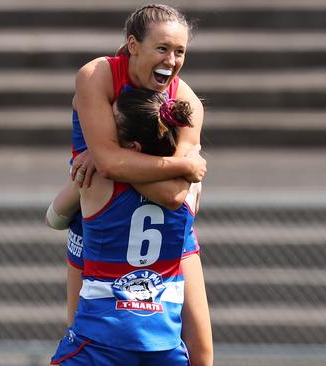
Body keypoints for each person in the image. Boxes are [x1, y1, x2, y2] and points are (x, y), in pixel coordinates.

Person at [50, 4, 213, 366]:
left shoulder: (185, 100)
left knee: (202, 352)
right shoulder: (97, 75)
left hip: (133, 203)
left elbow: (170, 195)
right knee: (87, 329)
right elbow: (112, 163)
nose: (171, 60)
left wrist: (112, 159)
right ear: (133, 44)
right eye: (163, 48)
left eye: (180, 51)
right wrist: (183, 164)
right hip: (98, 215)